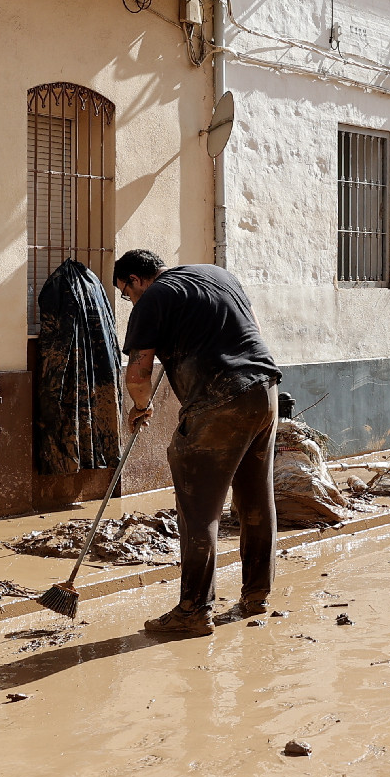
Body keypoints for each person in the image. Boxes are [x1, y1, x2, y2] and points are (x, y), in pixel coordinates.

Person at [115, 249, 281, 638]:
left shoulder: (152, 299)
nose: (130, 300)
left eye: (126, 292)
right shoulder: (219, 275)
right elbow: (251, 329)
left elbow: (138, 375)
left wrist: (141, 407)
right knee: (256, 497)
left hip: (218, 400)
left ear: (136, 280)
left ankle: (193, 609)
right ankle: (256, 594)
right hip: (264, 391)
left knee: (198, 509)